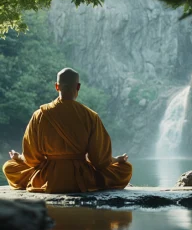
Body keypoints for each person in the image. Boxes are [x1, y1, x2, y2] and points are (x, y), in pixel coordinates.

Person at [2, 68, 132, 193]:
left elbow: (32, 159)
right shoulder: (90, 116)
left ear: (57, 86)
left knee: (9, 167)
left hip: (48, 177)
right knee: (125, 169)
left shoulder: (40, 115)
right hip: (83, 178)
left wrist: (18, 157)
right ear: (78, 87)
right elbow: (99, 161)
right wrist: (116, 160)